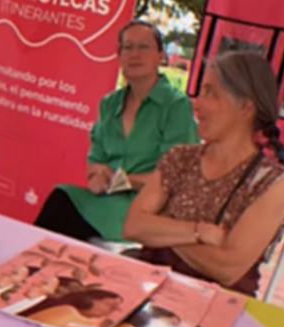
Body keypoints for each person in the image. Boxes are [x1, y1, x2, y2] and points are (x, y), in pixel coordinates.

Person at [121, 51, 284, 296]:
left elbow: (227, 269)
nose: (197, 103)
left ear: (245, 106)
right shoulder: (181, 158)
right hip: (149, 287)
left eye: (210, 92)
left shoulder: (271, 183)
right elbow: (133, 225)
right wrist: (198, 232)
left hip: (213, 306)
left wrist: (163, 223)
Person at [33, 21, 200, 242]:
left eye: (144, 47)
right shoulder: (109, 104)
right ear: (119, 56)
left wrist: (127, 180)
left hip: (148, 209)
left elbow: (177, 176)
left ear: (161, 56)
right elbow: (96, 158)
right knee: (61, 197)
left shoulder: (176, 106)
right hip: (106, 200)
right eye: (128, 48)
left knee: (61, 222)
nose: (135, 54)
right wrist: (97, 176)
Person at [18, 289, 124, 327]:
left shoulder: (96, 323)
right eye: (111, 306)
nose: (111, 311)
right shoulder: (66, 311)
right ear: (87, 301)